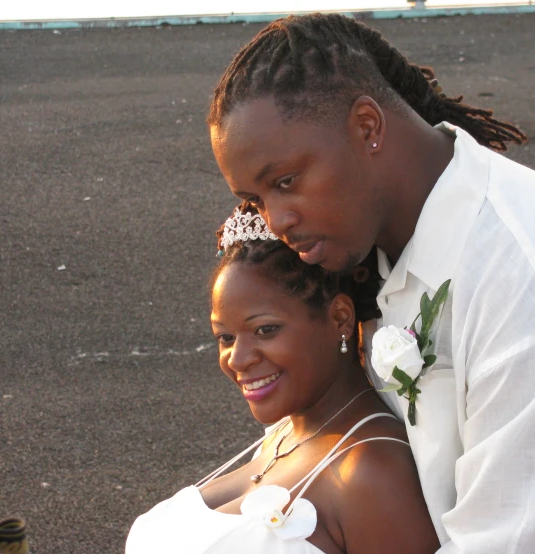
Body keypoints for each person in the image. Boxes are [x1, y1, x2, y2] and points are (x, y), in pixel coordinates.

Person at [206, 12, 535, 553]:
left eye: (286, 182)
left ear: (367, 127)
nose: (275, 220)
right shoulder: (374, 253)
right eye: (256, 200)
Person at [126, 207, 441, 553]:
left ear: (340, 318)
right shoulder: (283, 436)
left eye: (265, 330)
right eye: (225, 337)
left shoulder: (372, 472)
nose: (238, 358)